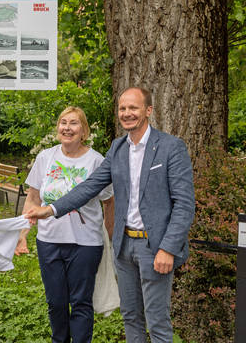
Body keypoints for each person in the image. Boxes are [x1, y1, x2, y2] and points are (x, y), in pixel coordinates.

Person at [26, 87, 195, 343]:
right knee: (130, 316)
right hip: (124, 246)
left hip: (154, 247)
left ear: (148, 110)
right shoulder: (118, 148)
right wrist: (50, 210)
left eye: (133, 108)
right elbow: (89, 187)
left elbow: (184, 204)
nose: (127, 113)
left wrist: (168, 248)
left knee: (157, 321)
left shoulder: (171, 147)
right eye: (122, 108)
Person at [15, 106, 114, 343]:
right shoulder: (45, 157)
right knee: (56, 302)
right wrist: (22, 234)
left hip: (86, 243)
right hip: (49, 240)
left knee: (80, 302)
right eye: (63, 123)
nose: (67, 128)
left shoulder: (96, 161)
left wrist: (110, 238)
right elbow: (33, 199)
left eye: (73, 123)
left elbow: (110, 202)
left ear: (84, 131)